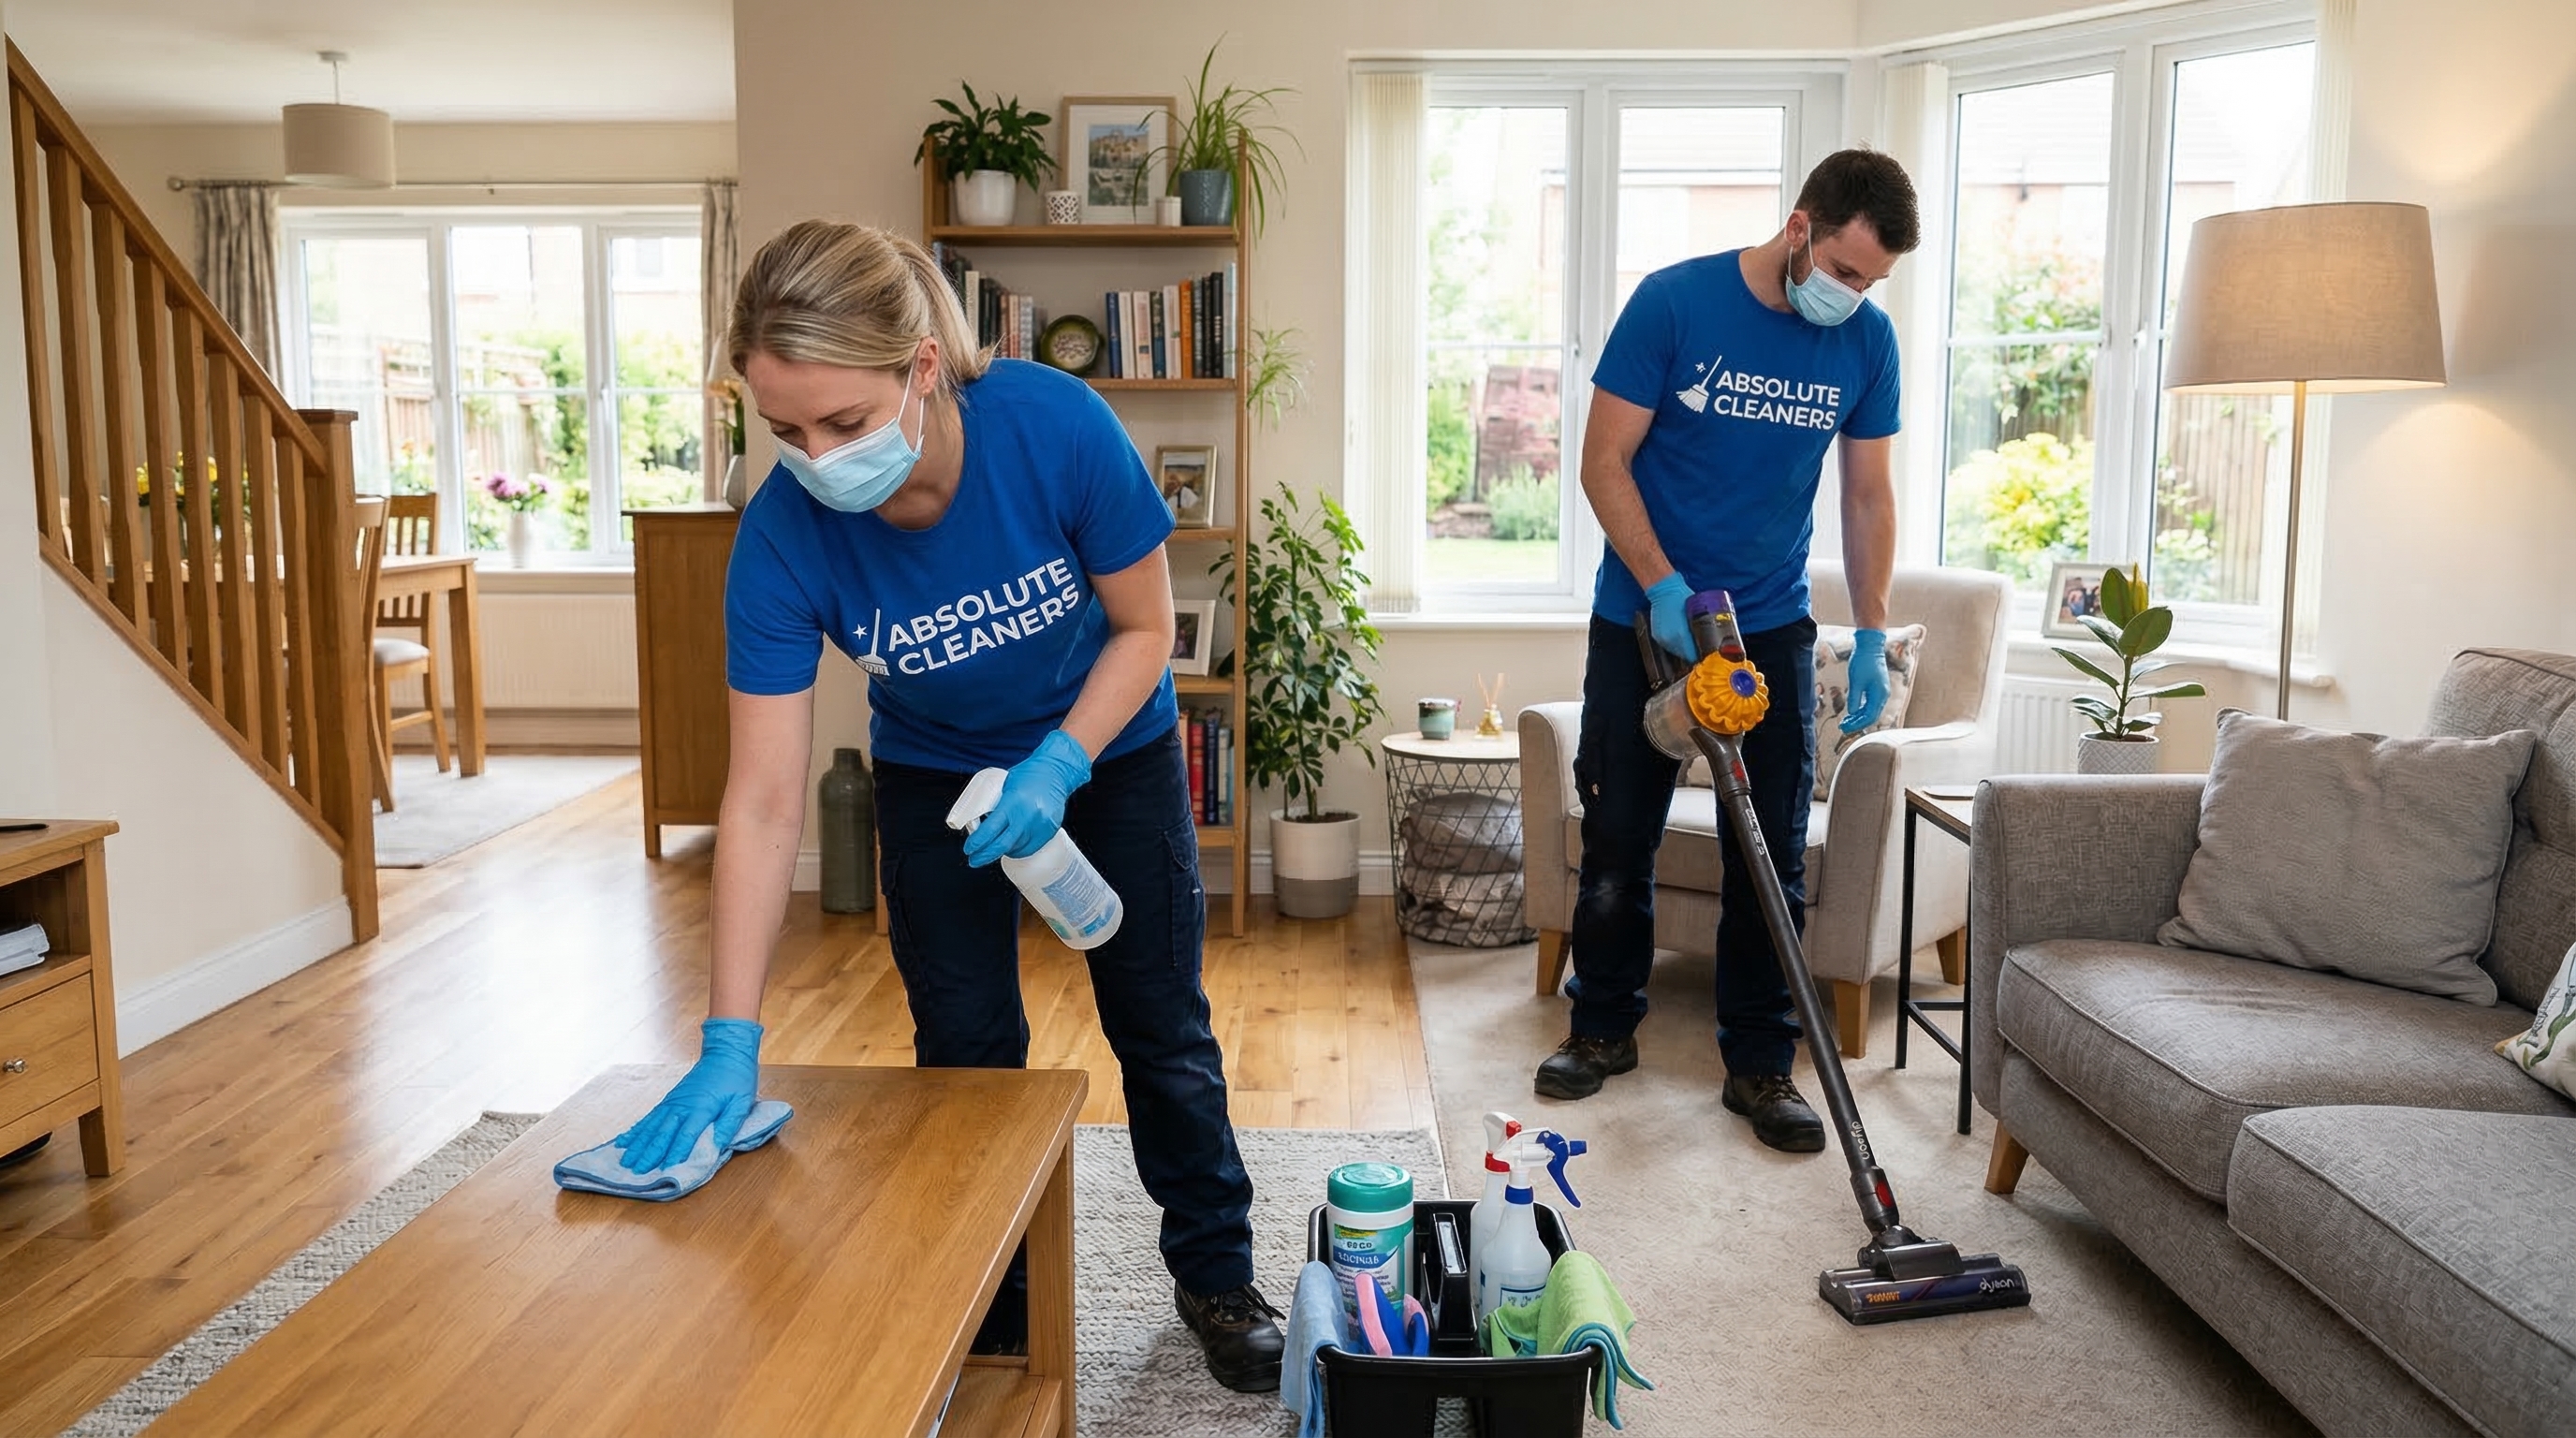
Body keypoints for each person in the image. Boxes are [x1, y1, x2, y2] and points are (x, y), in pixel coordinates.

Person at [610, 220, 1282, 1392]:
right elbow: (764, 804)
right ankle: (999, 1288)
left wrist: (1061, 764)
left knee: (1159, 1026)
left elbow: (1143, 630)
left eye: (844, 423)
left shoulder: (1052, 427)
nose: (816, 461)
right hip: (933, 781)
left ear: (921, 367)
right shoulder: (778, 539)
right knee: (967, 1054)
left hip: (1106, 755)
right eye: (783, 432)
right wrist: (730, 1041)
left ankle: (1216, 1271)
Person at [1533, 150, 1921, 1153]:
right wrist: (1661, 585)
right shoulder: (1673, 305)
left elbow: (1867, 497)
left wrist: (1871, 629)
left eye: (1871, 281)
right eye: (1843, 270)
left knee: (1772, 854)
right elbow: (1601, 461)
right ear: (1800, 227)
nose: (1854, 294)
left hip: (1769, 629)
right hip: (1644, 621)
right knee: (1620, 839)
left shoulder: (1866, 345)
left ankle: (1759, 1063)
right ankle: (1601, 1027)